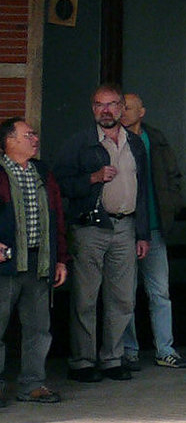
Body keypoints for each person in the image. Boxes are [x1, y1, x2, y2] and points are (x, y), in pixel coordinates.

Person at [51, 83, 154, 383]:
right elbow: (58, 185)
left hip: (126, 226)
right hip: (89, 227)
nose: (106, 110)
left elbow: (144, 190)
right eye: (99, 105)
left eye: (111, 105)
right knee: (85, 298)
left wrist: (143, 233)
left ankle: (112, 359)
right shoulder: (79, 142)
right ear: (93, 109)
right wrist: (93, 178)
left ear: (122, 108)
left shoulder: (135, 144)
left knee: (122, 298)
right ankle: (82, 362)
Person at [119, 93, 186, 369]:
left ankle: (165, 349)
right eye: (120, 107)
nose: (122, 112)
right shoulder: (115, 140)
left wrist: (170, 207)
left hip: (154, 228)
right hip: (125, 228)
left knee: (160, 292)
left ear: (142, 112)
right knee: (124, 293)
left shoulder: (156, 139)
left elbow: (173, 176)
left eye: (127, 108)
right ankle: (128, 350)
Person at [0, 119, 67, 404]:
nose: (35, 139)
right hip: (5, 265)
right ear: (9, 141)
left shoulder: (42, 171)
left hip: (39, 262)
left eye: (35, 134)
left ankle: (33, 384)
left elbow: (57, 217)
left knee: (39, 329)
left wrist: (61, 259)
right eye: (28, 135)